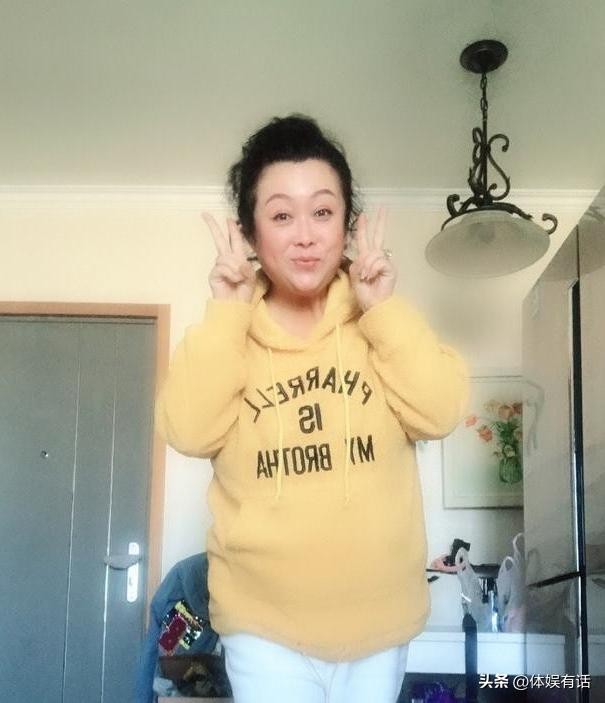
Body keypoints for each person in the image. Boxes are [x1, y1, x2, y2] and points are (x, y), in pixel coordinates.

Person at [155, 115, 468, 703]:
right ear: (250, 234)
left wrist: (383, 310)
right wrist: (227, 312)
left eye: (322, 212)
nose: (305, 235)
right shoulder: (230, 331)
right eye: (281, 216)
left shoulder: (380, 319)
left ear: (346, 225)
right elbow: (188, 431)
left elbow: (441, 410)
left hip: (380, 623)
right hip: (263, 625)